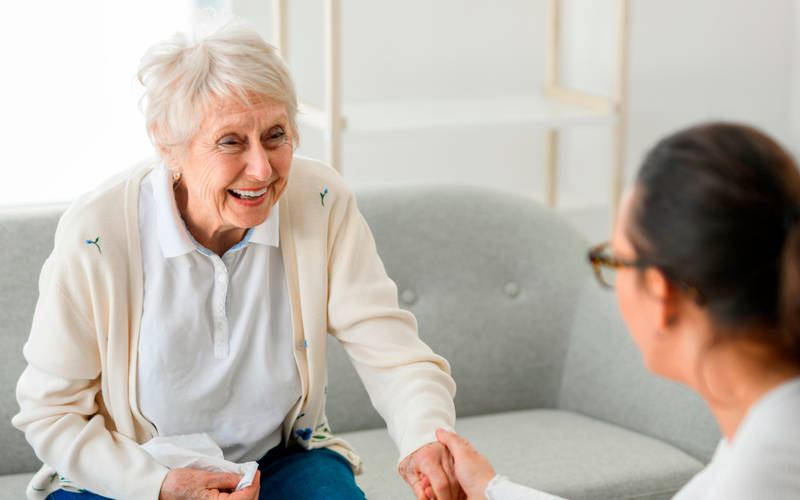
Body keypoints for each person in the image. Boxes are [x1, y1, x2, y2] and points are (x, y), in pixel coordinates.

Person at [12, 22, 460, 500]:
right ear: (168, 144)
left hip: (277, 463)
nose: (262, 169)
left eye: (275, 135)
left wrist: (424, 440)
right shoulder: (97, 232)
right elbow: (50, 413)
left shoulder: (321, 201)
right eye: (230, 141)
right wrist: (162, 486)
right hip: (129, 476)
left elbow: (392, 352)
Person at [433, 122, 800, 499]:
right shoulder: (768, 430)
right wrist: (490, 490)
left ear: (661, 293)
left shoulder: (763, 470)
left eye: (616, 262)